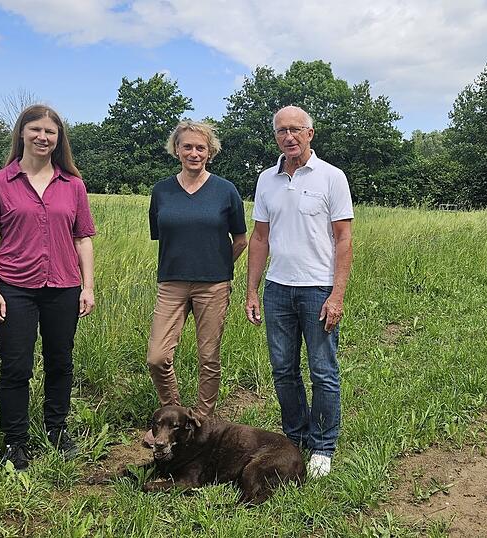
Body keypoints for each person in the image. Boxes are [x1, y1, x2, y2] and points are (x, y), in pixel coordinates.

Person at [0, 105, 96, 471]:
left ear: (59, 140)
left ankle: (56, 430)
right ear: (22, 133)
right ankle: (15, 442)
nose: (43, 137)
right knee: (15, 367)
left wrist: (88, 286)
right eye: (36, 130)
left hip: (63, 286)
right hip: (14, 287)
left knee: (61, 362)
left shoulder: (73, 185)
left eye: (51, 132)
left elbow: (83, 237)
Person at [244, 105, 353, 478]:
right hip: (277, 289)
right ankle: (294, 437)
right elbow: (260, 238)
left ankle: (322, 445)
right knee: (284, 370)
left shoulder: (332, 177)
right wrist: (253, 290)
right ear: (275, 136)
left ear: (310, 133)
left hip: (317, 289)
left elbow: (343, 238)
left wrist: (336, 295)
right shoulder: (266, 180)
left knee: (323, 370)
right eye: (280, 131)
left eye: (295, 129)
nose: (288, 136)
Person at [144, 120, 248, 445]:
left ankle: (200, 422)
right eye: (187, 146)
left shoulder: (225, 190)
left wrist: (217, 266)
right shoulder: (162, 191)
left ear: (210, 152)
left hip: (213, 285)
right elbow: (162, 234)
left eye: (200, 147)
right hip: (172, 282)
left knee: (209, 356)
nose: (193, 152)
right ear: (177, 149)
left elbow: (241, 239)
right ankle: (173, 414)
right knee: (157, 357)